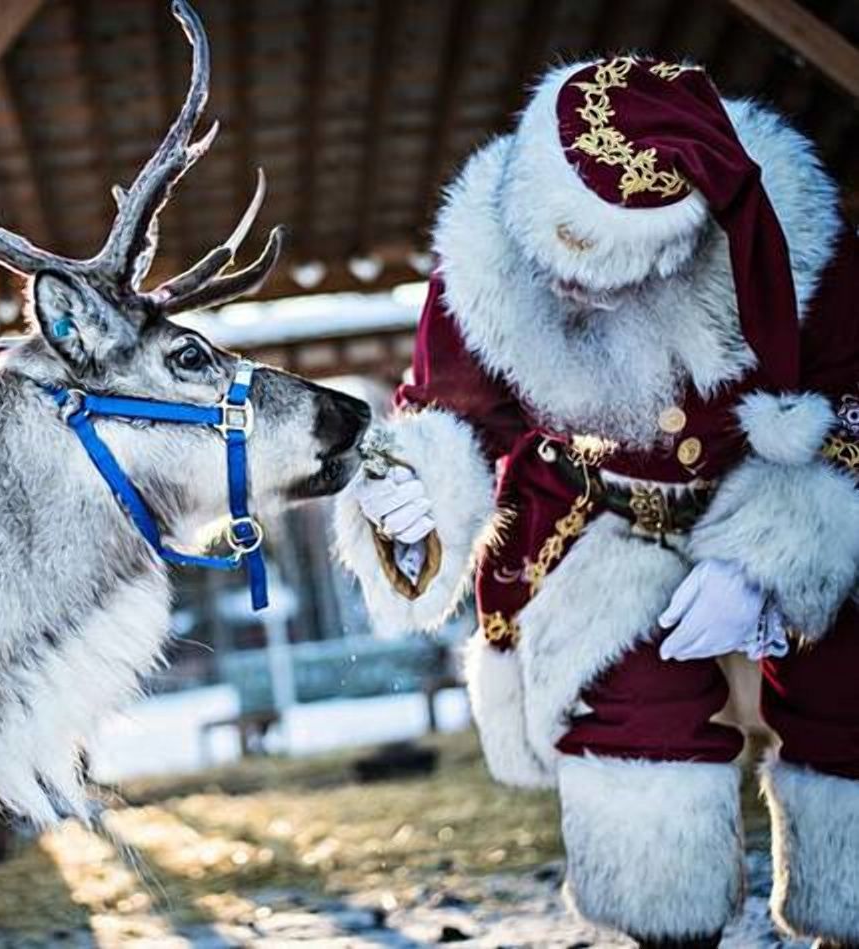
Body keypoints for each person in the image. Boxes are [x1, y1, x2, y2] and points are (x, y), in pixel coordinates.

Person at [335, 56, 858, 949]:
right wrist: (407, 497)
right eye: (556, 255)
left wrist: (768, 561)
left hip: (775, 492)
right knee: (629, 720)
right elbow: (449, 414)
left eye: (606, 265)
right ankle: (667, 931)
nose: (570, 286)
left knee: (846, 694)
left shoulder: (802, 238)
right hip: (594, 515)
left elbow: (852, 404)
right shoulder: (483, 252)